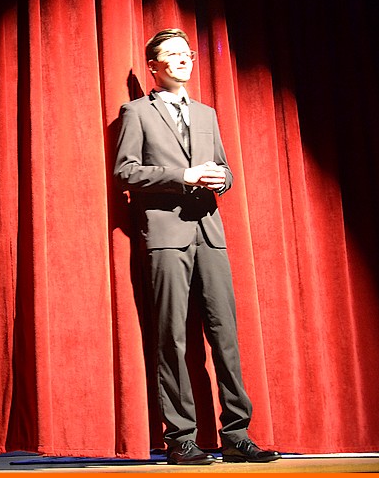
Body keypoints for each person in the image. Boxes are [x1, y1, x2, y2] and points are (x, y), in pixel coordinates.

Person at [113, 28, 281, 465]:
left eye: (186, 52)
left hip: (210, 232)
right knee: (171, 336)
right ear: (153, 66)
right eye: (171, 54)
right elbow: (126, 172)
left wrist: (222, 178)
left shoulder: (206, 113)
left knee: (226, 333)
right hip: (165, 234)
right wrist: (181, 176)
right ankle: (180, 439)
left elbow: (224, 167)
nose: (183, 58)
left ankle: (237, 434)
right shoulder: (136, 112)